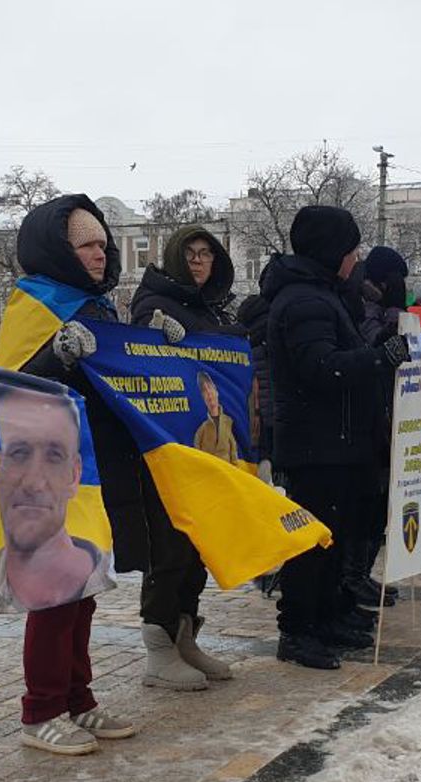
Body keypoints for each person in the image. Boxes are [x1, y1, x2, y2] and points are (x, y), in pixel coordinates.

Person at [7, 195, 143, 753]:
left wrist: (154, 345)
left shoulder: (98, 305)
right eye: (85, 244)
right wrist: (57, 356)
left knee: (82, 586)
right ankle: (41, 709)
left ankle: (77, 698)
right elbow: (11, 385)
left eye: (102, 245)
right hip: (46, 467)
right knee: (53, 592)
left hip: (91, 463)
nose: (97, 254)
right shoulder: (34, 305)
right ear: (58, 248)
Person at [264, 206, 405, 669]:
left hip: (336, 442)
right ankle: (298, 630)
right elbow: (322, 369)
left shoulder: (322, 295)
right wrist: (381, 357)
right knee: (311, 544)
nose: (356, 257)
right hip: (315, 445)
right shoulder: (304, 301)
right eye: (351, 249)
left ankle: (325, 616)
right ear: (332, 251)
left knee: (334, 539)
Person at [127, 225, 240, 690]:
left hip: (208, 451)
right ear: (175, 257)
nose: (198, 262)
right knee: (170, 548)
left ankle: (185, 636)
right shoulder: (153, 306)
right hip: (168, 449)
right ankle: (159, 648)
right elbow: (135, 361)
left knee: (198, 547)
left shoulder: (210, 308)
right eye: (190, 254)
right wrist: (155, 339)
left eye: (206, 254)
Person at [0, 381, 112, 612]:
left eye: (54, 457)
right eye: (19, 454)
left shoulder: (96, 571)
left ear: (75, 474)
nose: (34, 483)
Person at [343, 245, 408, 610]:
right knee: (365, 504)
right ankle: (351, 577)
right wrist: (395, 312)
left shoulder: (376, 303)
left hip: (384, 416)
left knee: (379, 503)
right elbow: (376, 344)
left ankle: (360, 573)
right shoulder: (362, 303)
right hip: (366, 418)